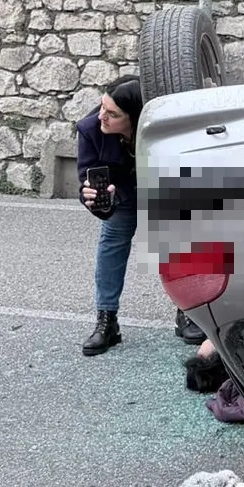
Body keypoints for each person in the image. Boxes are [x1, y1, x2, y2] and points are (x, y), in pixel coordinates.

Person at [76, 78, 144, 356]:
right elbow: (85, 179)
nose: (101, 116)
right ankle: (107, 320)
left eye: (112, 113)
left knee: (176, 243)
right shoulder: (89, 129)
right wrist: (95, 198)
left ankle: (187, 311)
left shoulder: (158, 129)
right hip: (121, 195)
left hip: (162, 189)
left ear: (134, 118)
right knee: (111, 244)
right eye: (102, 106)